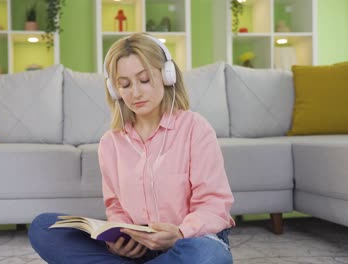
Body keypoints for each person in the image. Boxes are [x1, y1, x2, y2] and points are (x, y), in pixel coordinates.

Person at [28, 33, 235, 263]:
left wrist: (179, 233)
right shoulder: (110, 143)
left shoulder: (195, 128)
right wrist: (119, 241)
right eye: (124, 84)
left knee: (208, 256)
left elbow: (214, 204)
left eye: (144, 80)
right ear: (114, 89)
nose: (135, 92)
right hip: (140, 249)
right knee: (45, 227)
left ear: (167, 76)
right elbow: (115, 205)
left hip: (188, 241)